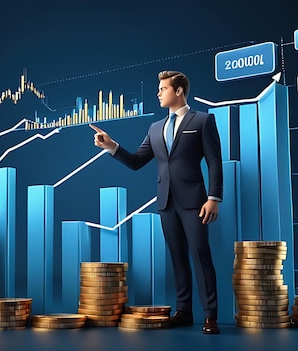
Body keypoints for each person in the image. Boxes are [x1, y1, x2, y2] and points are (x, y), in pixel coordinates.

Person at [89, 70, 223, 334]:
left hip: (195, 201)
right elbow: (137, 162)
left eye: (163, 88)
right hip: (166, 202)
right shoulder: (155, 128)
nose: (158, 93)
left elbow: (214, 161)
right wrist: (111, 146)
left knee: (200, 256)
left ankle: (210, 316)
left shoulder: (203, 121)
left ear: (179, 90)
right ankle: (183, 311)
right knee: (177, 258)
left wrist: (213, 198)